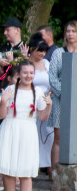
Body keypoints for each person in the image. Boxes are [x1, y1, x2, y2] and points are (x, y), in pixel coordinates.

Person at [0, 61, 51, 191]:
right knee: (8, 169)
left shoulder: (38, 91)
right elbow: (1, 115)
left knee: (26, 171)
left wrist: (48, 105)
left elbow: (42, 116)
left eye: (31, 73)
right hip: (10, 128)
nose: (28, 76)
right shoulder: (11, 90)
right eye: (25, 72)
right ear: (19, 75)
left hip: (27, 131)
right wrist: (3, 101)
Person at [49, 20, 77, 169]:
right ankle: (55, 175)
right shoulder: (58, 53)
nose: (70, 34)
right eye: (68, 31)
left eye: (73, 31)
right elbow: (52, 77)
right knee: (59, 137)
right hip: (61, 100)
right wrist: (65, 94)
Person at [28, 35, 53, 174]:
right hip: (31, 101)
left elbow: (52, 80)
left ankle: (47, 164)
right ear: (32, 49)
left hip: (45, 101)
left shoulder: (46, 63)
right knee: (33, 134)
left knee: (47, 134)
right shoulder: (26, 63)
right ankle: (33, 165)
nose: (42, 54)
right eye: (39, 51)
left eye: (44, 51)